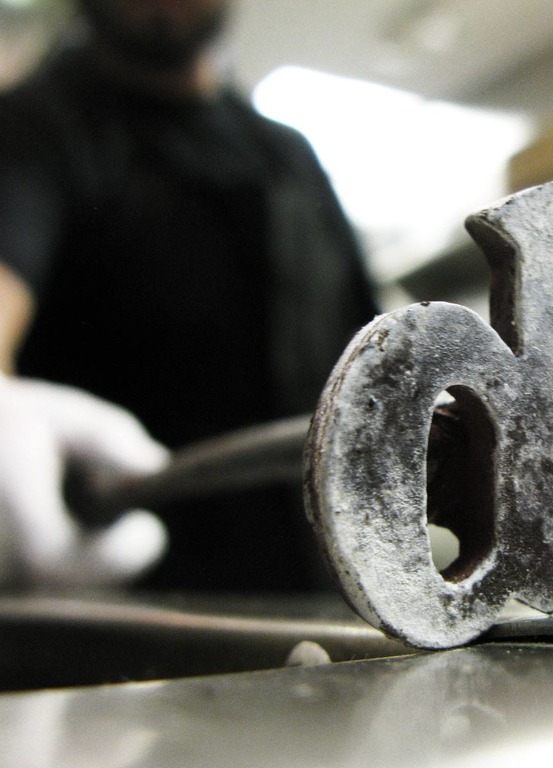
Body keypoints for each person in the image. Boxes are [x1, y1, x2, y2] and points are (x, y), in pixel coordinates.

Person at [0, 0, 378, 589]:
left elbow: (374, 345)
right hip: (124, 592)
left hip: (328, 576)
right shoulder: (32, 128)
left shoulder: (288, 155)